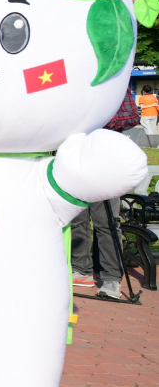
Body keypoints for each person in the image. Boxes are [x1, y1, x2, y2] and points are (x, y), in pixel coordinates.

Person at [72, 88, 142, 299]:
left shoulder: (115, 85)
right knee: (77, 218)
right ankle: (80, 270)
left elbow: (131, 116)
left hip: (106, 159)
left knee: (107, 222)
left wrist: (96, 122)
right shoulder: (75, 82)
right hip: (76, 158)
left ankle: (111, 278)